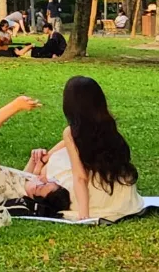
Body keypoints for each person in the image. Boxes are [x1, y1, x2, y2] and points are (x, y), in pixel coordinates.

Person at [33, 76, 142, 221]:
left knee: (52, 165)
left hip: (95, 197)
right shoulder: (108, 125)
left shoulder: (71, 133)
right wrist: (50, 154)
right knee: (56, 157)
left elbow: (80, 178)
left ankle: (39, 172)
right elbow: (71, 141)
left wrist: (84, 215)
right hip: (123, 195)